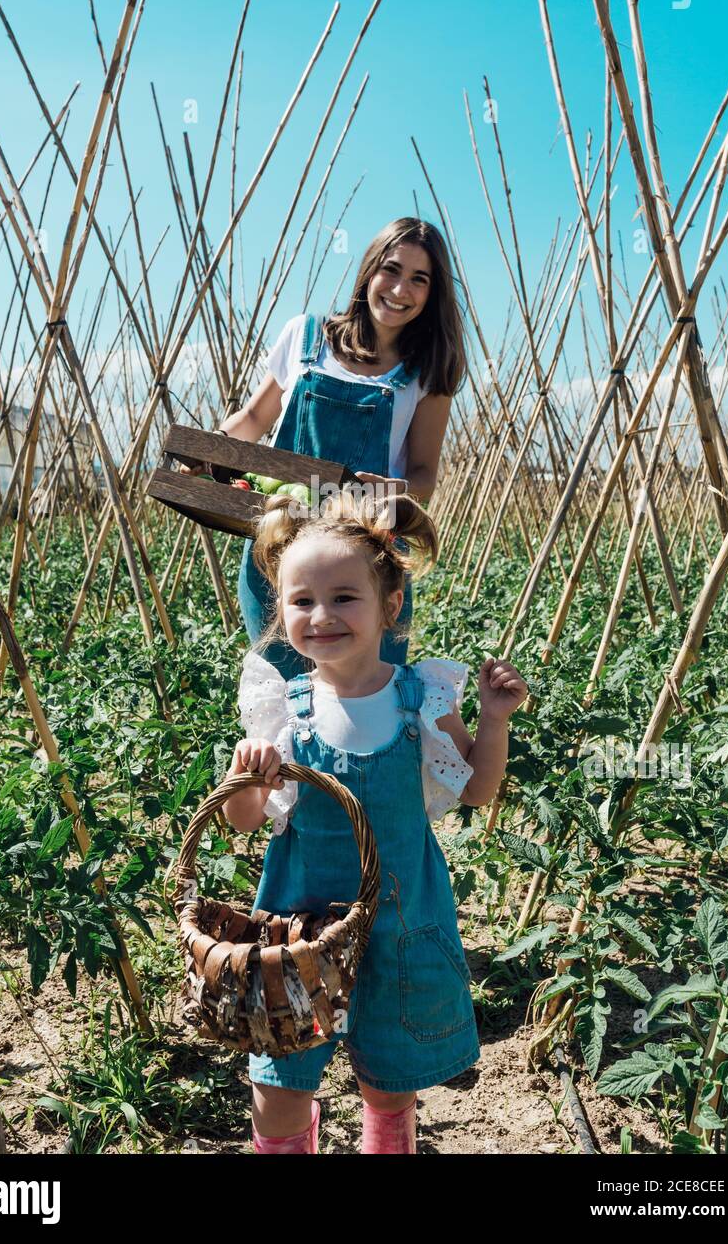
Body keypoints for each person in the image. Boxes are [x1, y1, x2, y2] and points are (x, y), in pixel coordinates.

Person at [221, 487, 528, 1154]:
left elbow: (476, 790)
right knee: (278, 1086)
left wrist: (493, 720)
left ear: (390, 605)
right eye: (302, 601)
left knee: (389, 1083)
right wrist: (246, 777)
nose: (322, 615)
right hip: (297, 928)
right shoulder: (284, 708)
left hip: (399, 920)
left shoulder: (420, 696)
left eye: (343, 598)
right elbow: (246, 821)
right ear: (281, 611)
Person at [182, 216, 468, 680]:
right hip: (280, 544)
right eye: (391, 270)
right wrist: (210, 451)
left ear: (433, 293)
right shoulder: (307, 336)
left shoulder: (427, 371)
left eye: (420, 279)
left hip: (370, 556)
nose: (400, 289)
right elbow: (254, 420)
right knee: (284, 692)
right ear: (369, 270)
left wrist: (389, 489)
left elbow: (423, 475)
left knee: (372, 693)